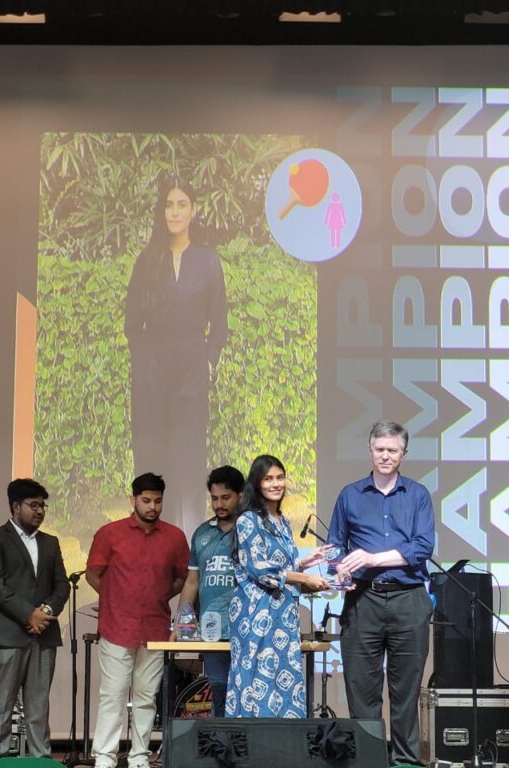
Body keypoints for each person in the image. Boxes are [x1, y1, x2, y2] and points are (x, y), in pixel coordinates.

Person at [327, 421, 436, 767]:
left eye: (392, 450)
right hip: (363, 601)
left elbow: (422, 547)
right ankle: (369, 759)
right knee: (362, 690)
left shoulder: (418, 495)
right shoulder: (350, 495)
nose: (385, 456)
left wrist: (373, 557)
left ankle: (405, 761)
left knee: (405, 692)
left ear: (404, 453)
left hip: (409, 599)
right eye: (379, 449)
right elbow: (334, 548)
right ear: (370, 450)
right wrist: (340, 570)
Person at [124, 176, 228, 531]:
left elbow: (220, 320)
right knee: (154, 452)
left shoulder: (208, 259)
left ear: (194, 210)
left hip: (191, 370)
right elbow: (131, 322)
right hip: (151, 372)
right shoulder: (147, 259)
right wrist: (143, 360)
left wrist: (208, 360)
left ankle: (188, 533)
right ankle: (150, 532)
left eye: (182, 204)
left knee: (188, 452)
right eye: (169, 204)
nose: (174, 211)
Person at [86, 473, 189, 768]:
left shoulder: (174, 537)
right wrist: (114, 597)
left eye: (158, 501)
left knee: (146, 697)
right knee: (113, 695)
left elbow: (183, 578)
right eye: (146, 501)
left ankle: (139, 757)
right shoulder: (110, 533)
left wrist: (160, 596)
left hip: (155, 627)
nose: (152, 507)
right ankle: (105, 756)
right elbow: (94, 573)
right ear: (133, 500)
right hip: (117, 626)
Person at [226, 455, 329, 718]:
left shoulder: (282, 521)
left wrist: (305, 563)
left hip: (282, 615)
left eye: (280, 478)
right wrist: (304, 578)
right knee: (256, 678)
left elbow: (283, 567)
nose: (276, 484)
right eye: (268, 479)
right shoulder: (247, 520)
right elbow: (261, 570)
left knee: (284, 677)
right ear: (256, 484)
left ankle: (282, 750)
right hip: (255, 614)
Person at [0, 478, 70, 759]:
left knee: (39, 707)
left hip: (43, 636)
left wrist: (47, 612)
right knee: (1, 706)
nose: (40, 511)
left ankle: (41, 760)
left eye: (43, 505)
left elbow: (62, 586)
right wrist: (28, 614)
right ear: (16, 507)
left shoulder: (51, 542)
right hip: (8, 634)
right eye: (34, 505)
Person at [171, 465, 246, 717]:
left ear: (241, 496)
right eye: (214, 498)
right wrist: (180, 622)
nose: (219, 504)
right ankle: (222, 750)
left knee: (246, 693)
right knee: (219, 693)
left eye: (226, 497)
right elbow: (192, 581)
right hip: (212, 629)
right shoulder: (202, 533)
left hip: (247, 628)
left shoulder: (251, 530)